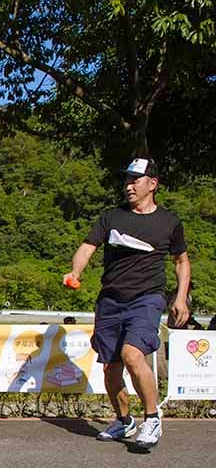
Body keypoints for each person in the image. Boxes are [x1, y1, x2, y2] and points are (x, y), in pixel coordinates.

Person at [64, 158, 190, 450]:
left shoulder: (169, 222)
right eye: (127, 180)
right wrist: (76, 271)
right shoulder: (112, 217)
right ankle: (124, 421)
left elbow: (181, 262)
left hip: (147, 298)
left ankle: (152, 418)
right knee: (111, 367)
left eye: (135, 180)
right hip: (110, 300)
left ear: (152, 184)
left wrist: (180, 297)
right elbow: (87, 247)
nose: (129, 185)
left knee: (133, 355)